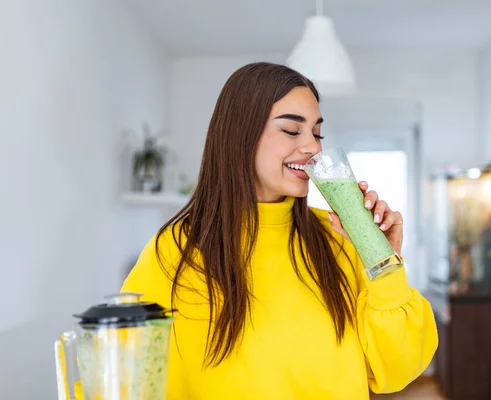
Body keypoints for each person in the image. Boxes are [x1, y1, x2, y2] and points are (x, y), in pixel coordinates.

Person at [121, 62, 438, 399]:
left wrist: (382, 260)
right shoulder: (175, 250)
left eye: (317, 133)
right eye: (291, 130)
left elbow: (396, 370)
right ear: (239, 134)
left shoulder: (339, 240)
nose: (313, 147)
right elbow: (126, 374)